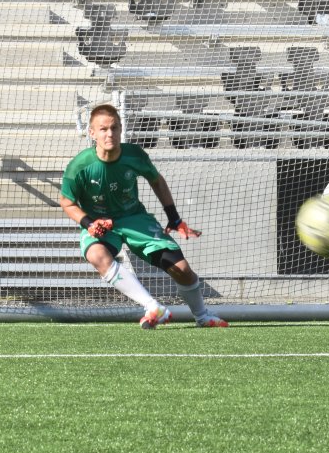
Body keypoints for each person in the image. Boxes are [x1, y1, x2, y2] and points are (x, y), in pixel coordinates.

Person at [60, 103, 227, 329]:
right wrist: (88, 223)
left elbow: (156, 180)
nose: (110, 134)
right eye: (103, 129)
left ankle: (203, 316)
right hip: (99, 223)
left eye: (114, 128)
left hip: (134, 218)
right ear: (92, 133)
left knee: (182, 269)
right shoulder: (79, 166)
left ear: (121, 129)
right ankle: (152, 306)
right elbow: (67, 202)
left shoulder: (135, 155)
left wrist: (174, 218)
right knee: (97, 256)